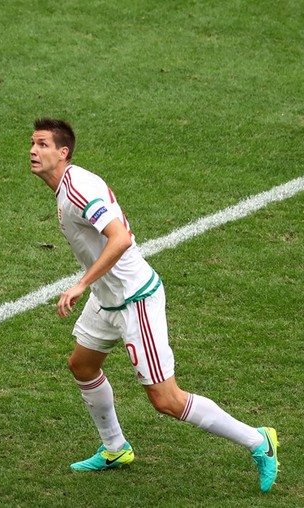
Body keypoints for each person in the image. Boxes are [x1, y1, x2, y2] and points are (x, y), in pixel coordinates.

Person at [28, 117, 278, 492]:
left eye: (43, 144)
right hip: (107, 299)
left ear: (63, 153)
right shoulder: (64, 188)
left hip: (134, 301)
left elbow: (121, 238)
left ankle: (259, 440)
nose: (33, 150)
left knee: (167, 400)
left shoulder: (79, 187)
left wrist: (81, 283)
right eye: (32, 143)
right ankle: (115, 447)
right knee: (82, 365)